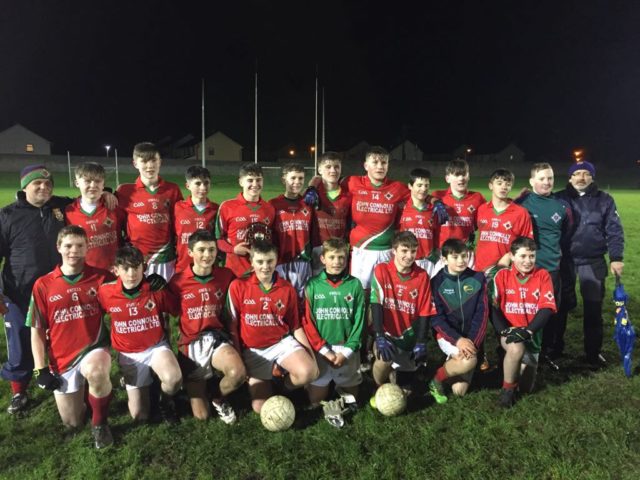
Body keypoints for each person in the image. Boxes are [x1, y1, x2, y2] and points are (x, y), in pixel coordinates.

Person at [0, 164, 115, 414]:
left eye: (48, 184)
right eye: (37, 184)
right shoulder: (7, 215)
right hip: (19, 293)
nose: (43, 188)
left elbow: (86, 194)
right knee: (20, 342)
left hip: (58, 290)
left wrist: (106, 191)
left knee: (64, 339)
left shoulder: (58, 206)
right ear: (24, 186)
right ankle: (19, 392)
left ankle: (77, 380)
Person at [27, 226, 115, 448]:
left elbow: (127, 297)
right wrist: (41, 369)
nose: (73, 250)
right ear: (58, 248)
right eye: (68, 245)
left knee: (97, 373)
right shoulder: (43, 284)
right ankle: (89, 395)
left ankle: (100, 424)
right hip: (62, 358)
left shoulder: (101, 277)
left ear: (88, 248)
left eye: (79, 246)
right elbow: (36, 329)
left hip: (93, 348)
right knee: (72, 422)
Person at [226, 241, 318, 413]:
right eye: (260, 262)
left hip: (281, 342)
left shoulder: (286, 288)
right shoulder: (238, 286)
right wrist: (239, 358)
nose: (265, 267)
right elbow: (233, 326)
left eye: (270, 261)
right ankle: (269, 377)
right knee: (260, 408)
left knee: (309, 372)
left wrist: (311, 357)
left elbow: (295, 326)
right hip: (253, 350)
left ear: (276, 261)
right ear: (252, 262)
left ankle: (284, 386)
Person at [168, 230, 245, 423]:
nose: (207, 255)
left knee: (238, 374)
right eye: (201, 250)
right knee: (201, 417)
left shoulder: (226, 275)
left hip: (217, 337)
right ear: (190, 252)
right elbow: (169, 313)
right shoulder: (177, 282)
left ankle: (217, 395)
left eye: (211, 250)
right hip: (192, 342)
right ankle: (196, 386)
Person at [98, 245, 182, 422]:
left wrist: (166, 289)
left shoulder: (154, 288)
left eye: (136, 267)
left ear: (143, 267)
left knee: (173, 379)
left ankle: (165, 402)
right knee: (139, 416)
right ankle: (142, 382)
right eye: (126, 268)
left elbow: (176, 310)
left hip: (156, 347)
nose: (131, 274)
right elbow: (94, 315)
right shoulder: (106, 292)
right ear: (116, 270)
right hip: (129, 354)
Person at [555, 160, 624, 367]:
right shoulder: (559, 198)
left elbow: (614, 229)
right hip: (564, 261)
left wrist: (616, 257)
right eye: (577, 173)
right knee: (560, 306)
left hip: (592, 261)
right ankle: (555, 348)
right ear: (570, 177)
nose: (581, 177)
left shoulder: (605, 200)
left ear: (592, 177)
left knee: (593, 308)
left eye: (586, 173)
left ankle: (593, 352)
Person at [302, 238, 365, 427]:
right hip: (322, 350)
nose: (337, 262)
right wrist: (324, 351)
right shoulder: (312, 285)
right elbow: (307, 322)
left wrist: (346, 351)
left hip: (346, 349)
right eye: (332, 257)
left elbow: (360, 322)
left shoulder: (355, 285)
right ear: (322, 259)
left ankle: (339, 388)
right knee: (315, 402)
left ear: (347, 259)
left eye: (341, 257)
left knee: (352, 401)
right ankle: (321, 386)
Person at [369, 231, 436, 406]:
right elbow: (376, 304)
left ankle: (400, 372)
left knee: (406, 392)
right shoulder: (381, 270)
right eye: (404, 251)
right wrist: (379, 336)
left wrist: (421, 341)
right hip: (388, 334)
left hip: (409, 338)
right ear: (394, 250)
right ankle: (377, 386)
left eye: (413, 251)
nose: (409, 256)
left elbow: (425, 312)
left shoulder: (422, 276)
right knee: (383, 360)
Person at [490, 237, 557, 408]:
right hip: (509, 332)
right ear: (512, 256)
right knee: (515, 347)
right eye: (523, 256)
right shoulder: (501, 275)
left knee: (526, 388)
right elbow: (493, 308)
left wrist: (528, 331)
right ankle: (507, 392)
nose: (528, 261)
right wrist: (504, 331)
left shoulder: (543, 276)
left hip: (531, 335)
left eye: (532, 256)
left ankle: (510, 368)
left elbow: (546, 309)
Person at [515, 163, 572, 363]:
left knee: (549, 311)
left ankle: (546, 350)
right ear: (532, 181)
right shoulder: (522, 204)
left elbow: (566, 233)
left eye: (550, 178)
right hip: (525, 269)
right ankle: (519, 349)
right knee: (522, 310)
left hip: (551, 269)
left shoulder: (562, 206)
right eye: (541, 178)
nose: (546, 182)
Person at [339, 146, 411, 290]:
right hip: (361, 249)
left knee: (383, 294)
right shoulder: (352, 182)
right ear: (366, 165)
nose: (380, 166)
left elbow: (421, 195)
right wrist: (311, 187)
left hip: (387, 250)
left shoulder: (397, 187)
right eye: (375, 162)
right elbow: (325, 180)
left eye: (384, 163)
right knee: (360, 293)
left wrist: (436, 202)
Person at [429, 239, 488, 404]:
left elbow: (481, 315)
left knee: (458, 391)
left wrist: (472, 342)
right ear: (444, 259)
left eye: (464, 255)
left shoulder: (478, 278)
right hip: (448, 336)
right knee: (468, 361)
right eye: (455, 257)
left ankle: (455, 364)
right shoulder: (436, 283)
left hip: (471, 337)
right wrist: (458, 340)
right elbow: (436, 319)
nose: (461, 260)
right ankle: (435, 381)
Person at [116, 142, 183, 281]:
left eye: (153, 160)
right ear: (135, 163)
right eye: (144, 161)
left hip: (165, 257)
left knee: (165, 297)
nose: (150, 166)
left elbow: (178, 223)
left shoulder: (172, 189)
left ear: (160, 162)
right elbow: (118, 225)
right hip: (136, 259)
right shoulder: (125, 191)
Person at [216, 164, 276, 278]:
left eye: (258, 180)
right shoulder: (227, 207)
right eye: (250, 180)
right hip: (234, 271)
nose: (255, 184)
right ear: (241, 182)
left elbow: (272, 241)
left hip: (261, 272)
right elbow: (218, 239)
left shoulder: (269, 209)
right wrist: (233, 249)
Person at [65, 162, 125, 271]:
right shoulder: (68, 211)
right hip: (84, 275)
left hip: (114, 273)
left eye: (97, 181)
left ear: (103, 184)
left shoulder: (114, 206)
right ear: (77, 183)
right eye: (87, 181)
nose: (93, 185)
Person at [475, 169, 534, 273]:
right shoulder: (481, 209)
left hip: (506, 270)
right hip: (480, 269)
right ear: (490, 186)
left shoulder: (521, 213)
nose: (503, 187)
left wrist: (509, 256)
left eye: (508, 184)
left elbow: (526, 244)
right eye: (499, 183)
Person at [269, 163, 315, 298]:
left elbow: (313, 233)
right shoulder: (273, 204)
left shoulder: (308, 204)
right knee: (282, 298)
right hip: (281, 261)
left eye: (300, 178)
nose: (297, 182)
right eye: (293, 178)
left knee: (303, 299)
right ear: (284, 180)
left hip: (303, 261)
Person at [432, 158, 485, 269]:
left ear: (468, 176)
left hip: (465, 254)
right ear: (447, 178)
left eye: (464, 174)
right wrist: (433, 200)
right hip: (442, 254)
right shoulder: (437, 196)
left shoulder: (477, 198)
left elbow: (492, 212)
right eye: (456, 175)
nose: (461, 178)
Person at [305, 152, 352, 275]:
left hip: (340, 250)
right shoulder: (312, 192)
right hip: (318, 248)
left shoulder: (349, 194)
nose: (333, 170)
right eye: (328, 167)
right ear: (319, 169)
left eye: (337, 167)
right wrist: (312, 186)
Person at [173, 166, 219, 273]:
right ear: (188, 185)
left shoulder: (216, 209)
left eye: (206, 183)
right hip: (182, 267)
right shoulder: (177, 207)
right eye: (198, 183)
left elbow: (219, 239)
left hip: (207, 267)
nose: (203, 187)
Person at [398, 168, 440, 277]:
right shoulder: (401, 208)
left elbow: (437, 235)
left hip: (428, 262)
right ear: (410, 186)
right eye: (419, 185)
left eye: (426, 185)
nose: (423, 189)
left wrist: (435, 254)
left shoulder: (434, 210)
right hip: (406, 261)